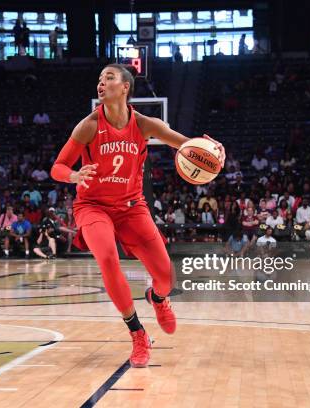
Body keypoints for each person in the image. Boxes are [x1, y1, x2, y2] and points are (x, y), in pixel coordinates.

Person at [50, 64, 225, 368]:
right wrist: (75, 175)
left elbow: (186, 145)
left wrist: (213, 149)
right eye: (99, 79)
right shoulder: (88, 126)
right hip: (93, 206)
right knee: (106, 257)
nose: (101, 84)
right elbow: (58, 167)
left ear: (125, 87)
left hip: (132, 207)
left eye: (109, 78)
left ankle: (157, 298)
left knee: (167, 277)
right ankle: (137, 333)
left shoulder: (145, 124)